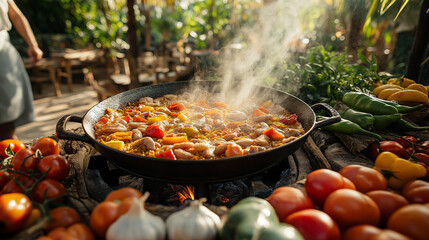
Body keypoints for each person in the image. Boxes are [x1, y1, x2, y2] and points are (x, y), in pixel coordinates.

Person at [0, 0, 42, 140]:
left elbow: (15, 13)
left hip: (2, 53)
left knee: (6, 122)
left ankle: (11, 157)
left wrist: (32, 44)